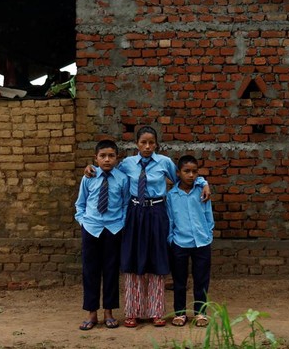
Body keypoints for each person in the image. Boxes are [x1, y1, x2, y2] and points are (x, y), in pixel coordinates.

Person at [84, 126, 210, 328]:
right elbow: (108, 171)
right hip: (134, 214)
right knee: (132, 260)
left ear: (157, 144)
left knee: (156, 259)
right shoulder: (127, 164)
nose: (147, 146)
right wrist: (90, 168)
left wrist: (203, 182)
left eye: (151, 142)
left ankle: (155, 310)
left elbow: (183, 178)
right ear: (136, 144)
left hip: (157, 212)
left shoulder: (164, 162)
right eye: (143, 142)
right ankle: (132, 311)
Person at [74, 139, 130, 330]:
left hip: (113, 229)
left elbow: (125, 204)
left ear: (117, 158)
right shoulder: (89, 177)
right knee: (90, 271)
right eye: (103, 156)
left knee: (111, 270)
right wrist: (83, 222)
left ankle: (109, 312)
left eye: (111, 156)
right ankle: (91, 313)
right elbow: (80, 204)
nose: (107, 160)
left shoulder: (122, 179)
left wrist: (121, 224)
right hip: (91, 228)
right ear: (95, 158)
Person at [167, 155, 214, 328]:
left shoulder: (202, 191)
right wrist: (172, 240)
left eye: (195, 171)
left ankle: (200, 313)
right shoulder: (172, 196)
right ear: (178, 173)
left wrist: (208, 234)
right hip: (180, 243)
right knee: (179, 281)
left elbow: (208, 215)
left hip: (202, 242)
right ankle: (180, 313)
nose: (191, 175)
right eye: (187, 171)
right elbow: (170, 220)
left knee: (201, 280)